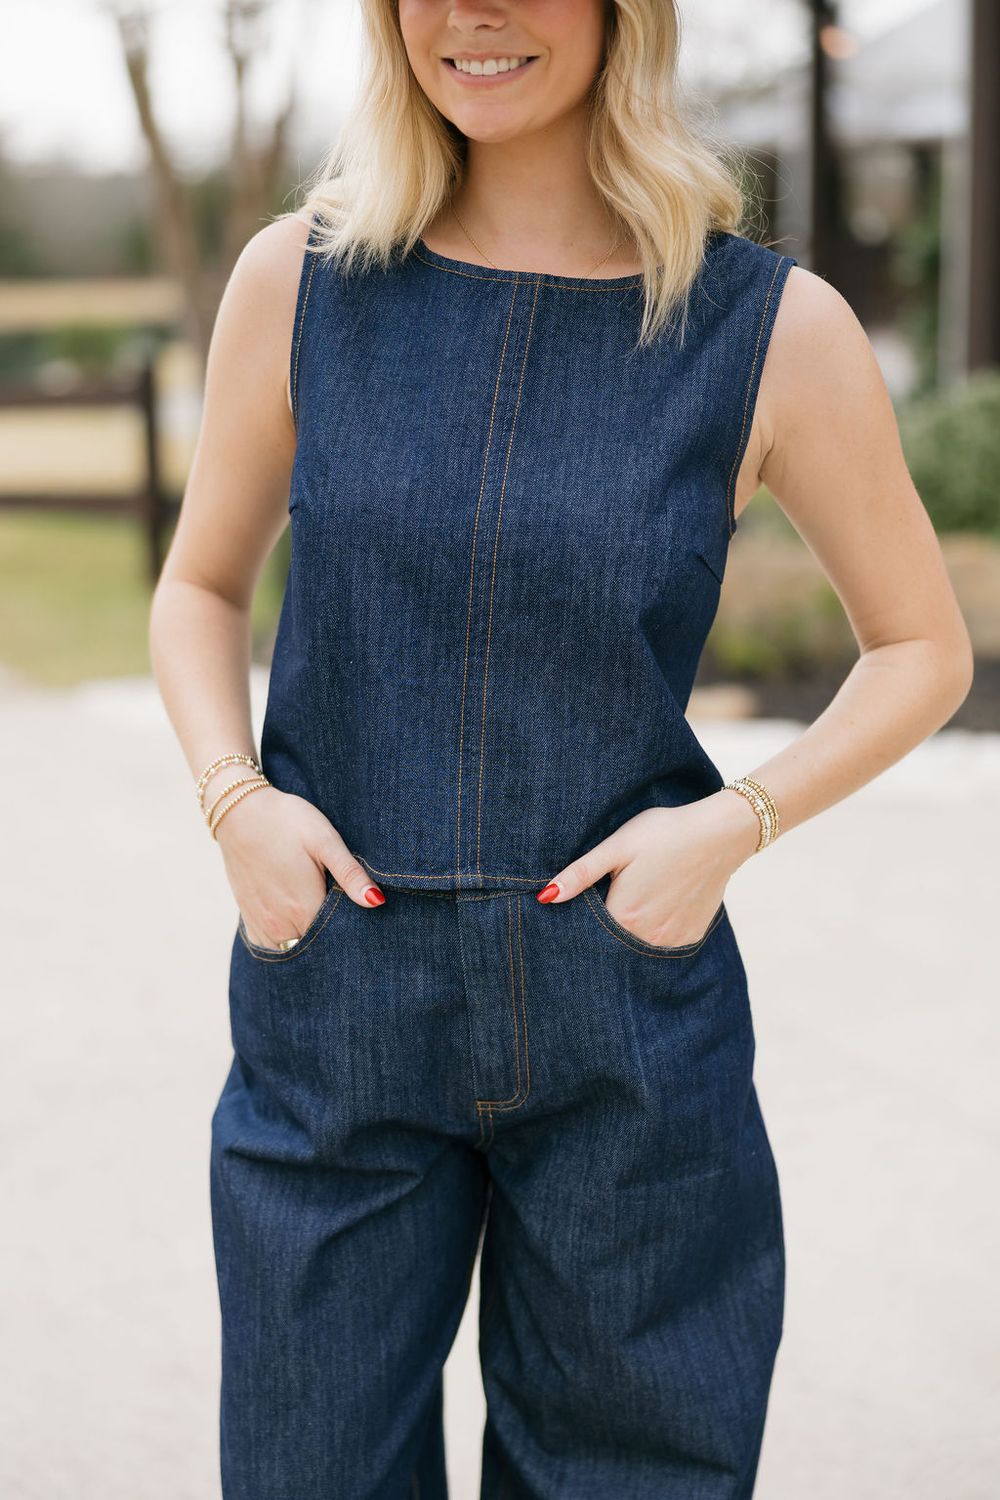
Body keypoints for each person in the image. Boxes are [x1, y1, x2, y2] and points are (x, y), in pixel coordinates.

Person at [149, 1, 973, 1496]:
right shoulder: (300, 283)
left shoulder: (770, 328)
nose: (474, 13)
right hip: (335, 998)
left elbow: (923, 647)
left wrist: (730, 825)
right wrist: (234, 805)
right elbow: (199, 585)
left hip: (627, 1015)